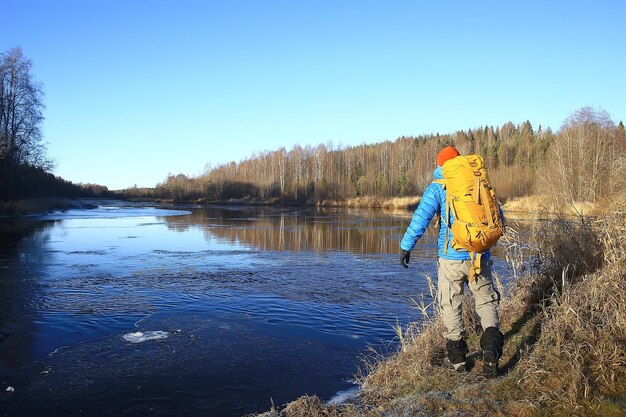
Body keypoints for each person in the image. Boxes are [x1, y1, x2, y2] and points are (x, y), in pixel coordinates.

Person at [399, 145, 503, 378]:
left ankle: (457, 362)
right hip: (479, 255)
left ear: (440, 166)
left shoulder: (437, 187)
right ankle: (491, 354)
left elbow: (421, 218)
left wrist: (406, 247)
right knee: (486, 302)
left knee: (450, 304)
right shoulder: (477, 182)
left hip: (451, 259)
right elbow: (496, 216)